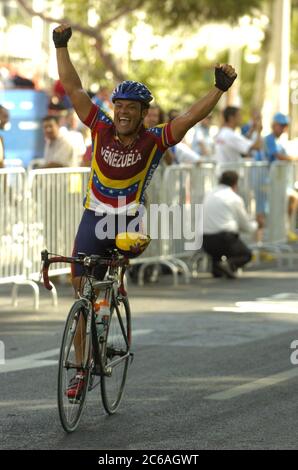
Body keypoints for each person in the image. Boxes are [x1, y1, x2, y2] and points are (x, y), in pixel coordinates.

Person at [53, 23, 237, 398]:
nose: (122, 113)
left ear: (142, 114)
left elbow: (188, 118)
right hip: (94, 216)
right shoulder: (101, 127)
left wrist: (217, 89)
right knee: (80, 292)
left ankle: (112, 297)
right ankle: (81, 369)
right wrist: (60, 46)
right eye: (119, 106)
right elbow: (74, 89)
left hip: (128, 222)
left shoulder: (154, 140)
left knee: (108, 278)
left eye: (131, 109)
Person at [203, 171, 258, 278]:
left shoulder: (209, 194)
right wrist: (256, 225)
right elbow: (246, 225)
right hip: (225, 239)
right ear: (235, 183)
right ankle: (229, 264)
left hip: (205, 240)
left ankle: (219, 267)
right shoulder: (233, 198)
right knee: (246, 255)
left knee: (217, 266)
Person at [264, 112, 298, 241]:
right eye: (281, 125)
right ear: (274, 125)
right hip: (270, 180)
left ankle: (284, 231)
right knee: (273, 211)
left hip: (281, 181)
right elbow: (278, 156)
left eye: (285, 126)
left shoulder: (280, 141)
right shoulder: (269, 139)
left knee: (291, 200)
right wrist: (293, 158)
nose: (283, 128)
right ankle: (274, 238)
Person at [215, 106, 262, 171]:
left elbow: (241, 142)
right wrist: (259, 131)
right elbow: (257, 146)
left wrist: (252, 130)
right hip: (230, 175)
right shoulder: (231, 135)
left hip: (223, 174)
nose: (241, 118)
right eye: (239, 115)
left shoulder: (222, 133)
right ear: (231, 118)